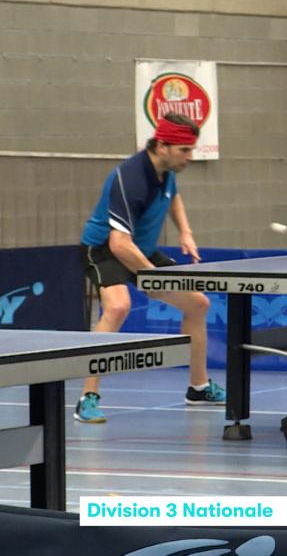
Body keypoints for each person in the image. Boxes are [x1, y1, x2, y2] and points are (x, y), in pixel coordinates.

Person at [75, 113, 225, 423]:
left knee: (198, 303)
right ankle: (87, 397)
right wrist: (151, 277)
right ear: (162, 145)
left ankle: (198, 387)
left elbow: (174, 198)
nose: (189, 157)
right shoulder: (131, 178)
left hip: (138, 249)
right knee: (117, 308)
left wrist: (185, 232)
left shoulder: (166, 169)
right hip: (104, 249)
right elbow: (118, 244)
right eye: (184, 150)